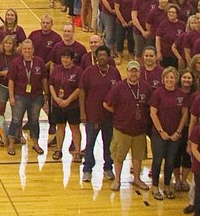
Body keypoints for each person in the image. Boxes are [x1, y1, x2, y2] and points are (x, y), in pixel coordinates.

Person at [104, 60, 150, 191]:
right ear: (127, 72)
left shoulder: (145, 87)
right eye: (131, 71)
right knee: (119, 156)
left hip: (139, 129)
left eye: (136, 71)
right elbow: (106, 104)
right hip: (122, 128)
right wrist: (119, 113)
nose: (133, 73)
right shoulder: (119, 87)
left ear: (139, 73)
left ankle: (136, 178)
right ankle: (117, 180)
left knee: (138, 156)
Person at [80, 45, 121, 181]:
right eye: (100, 55)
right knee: (90, 143)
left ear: (108, 57)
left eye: (105, 55)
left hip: (109, 117)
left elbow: (119, 94)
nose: (102, 57)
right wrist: (83, 112)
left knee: (108, 143)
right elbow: (82, 92)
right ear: (96, 57)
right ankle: (87, 169)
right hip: (92, 115)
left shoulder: (114, 72)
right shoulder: (89, 71)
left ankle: (108, 168)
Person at [148, 66, 187, 200]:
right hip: (159, 134)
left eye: (172, 77)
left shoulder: (181, 94)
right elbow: (153, 113)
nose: (170, 80)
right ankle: (154, 186)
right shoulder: (158, 93)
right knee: (157, 160)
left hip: (174, 134)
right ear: (163, 79)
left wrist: (178, 131)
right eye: (167, 77)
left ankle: (166, 185)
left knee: (170, 161)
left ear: (176, 79)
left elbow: (184, 114)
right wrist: (161, 131)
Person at [6, 39, 46, 156]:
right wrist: (11, 96)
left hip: (36, 97)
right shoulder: (16, 62)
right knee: (16, 120)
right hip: (20, 96)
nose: (27, 51)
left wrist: (46, 94)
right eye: (25, 49)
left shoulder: (39, 62)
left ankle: (36, 143)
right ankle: (11, 144)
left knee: (34, 121)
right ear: (21, 50)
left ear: (33, 50)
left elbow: (44, 79)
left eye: (29, 48)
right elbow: (11, 81)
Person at [48, 50, 83, 161]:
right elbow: (51, 85)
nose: (65, 60)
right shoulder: (57, 69)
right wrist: (55, 98)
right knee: (60, 127)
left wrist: (69, 100)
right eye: (63, 57)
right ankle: (59, 150)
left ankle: (77, 152)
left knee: (75, 128)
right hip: (58, 105)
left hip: (72, 106)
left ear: (72, 59)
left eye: (67, 57)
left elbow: (79, 88)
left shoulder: (78, 71)